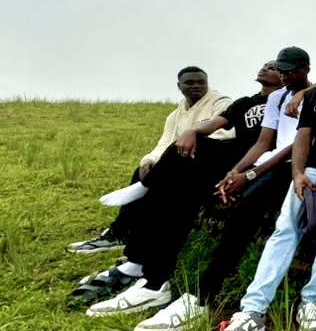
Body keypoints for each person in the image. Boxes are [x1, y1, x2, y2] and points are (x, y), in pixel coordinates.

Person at [127, 48, 314, 331]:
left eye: (289, 70)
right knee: (192, 191)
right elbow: (263, 144)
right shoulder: (276, 98)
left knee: (246, 210)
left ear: (306, 69)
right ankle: (149, 275)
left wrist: (249, 174)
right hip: (265, 163)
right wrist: (235, 172)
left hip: (292, 166)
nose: (286, 75)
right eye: (283, 70)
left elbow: (294, 145)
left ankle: (204, 295)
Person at [73, 61, 283, 315]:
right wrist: (193, 130)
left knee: (174, 171)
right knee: (179, 188)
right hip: (234, 156)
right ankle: (147, 273)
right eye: (266, 64)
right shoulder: (245, 102)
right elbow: (217, 122)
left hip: (247, 160)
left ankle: (143, 258)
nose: (266, 67)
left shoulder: (292, 98)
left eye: (275, 66)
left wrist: (240, 171)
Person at [210, 42, 316, 331]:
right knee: (286, 225)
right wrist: (298, 173)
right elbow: (303, 136)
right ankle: (253, 310)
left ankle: (311, 300)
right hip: (312, 167)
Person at [68, 67, 233, 254]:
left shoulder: (221, 103)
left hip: (207, 162)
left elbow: (224, 135)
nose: (196, 86)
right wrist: (149, 160)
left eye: (201, 82)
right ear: (179, 85)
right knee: (142, 171)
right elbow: (165, 142)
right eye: (190, 82)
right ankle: (120, 232)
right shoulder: (177, 113)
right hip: (180, 160)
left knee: (161, 179)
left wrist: (189, 142)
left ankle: (129, 232)